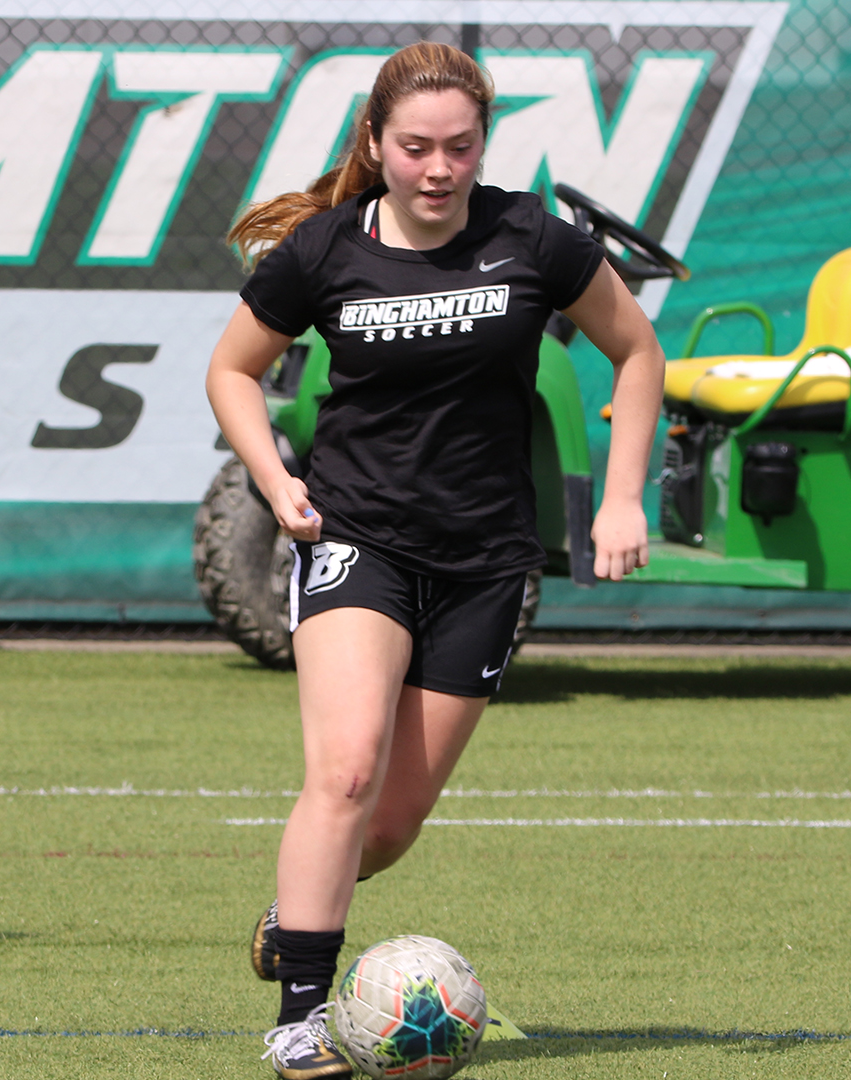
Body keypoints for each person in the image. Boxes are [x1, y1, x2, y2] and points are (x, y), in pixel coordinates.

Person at [206, 41, 666, 1078]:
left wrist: (622, 496)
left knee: (394, 825)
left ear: (482, 148)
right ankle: (300, 1017)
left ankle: (295, 916)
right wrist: (278, 482)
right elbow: (232, 371)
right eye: (415, 147)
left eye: (460, 146)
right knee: (347, 771)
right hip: (356, 540)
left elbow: (637, 353)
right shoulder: (323, 251)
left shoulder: (532, 241)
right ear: (376, 143)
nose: (438, 168)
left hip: (486, 563)